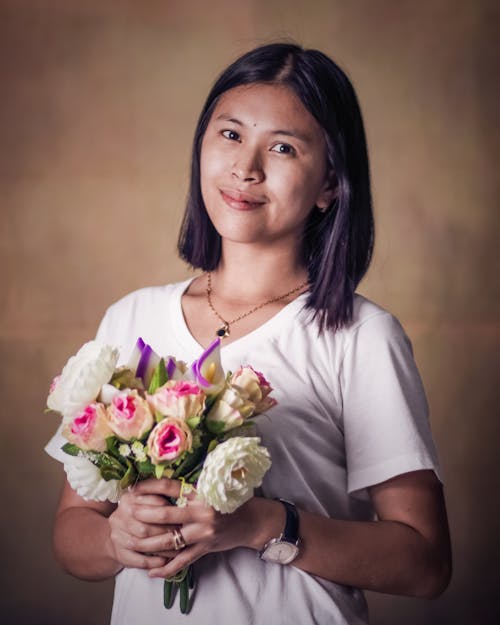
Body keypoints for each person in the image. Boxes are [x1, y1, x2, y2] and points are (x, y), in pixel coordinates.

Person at [46, 42, 452, 625]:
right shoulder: (129, 319)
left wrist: (263, 525)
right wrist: (116, 539)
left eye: (283, 147)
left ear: (330, 184)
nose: (246, 168)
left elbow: (426, 563)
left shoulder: (361, 336)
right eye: (230, 135)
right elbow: (71, 532)